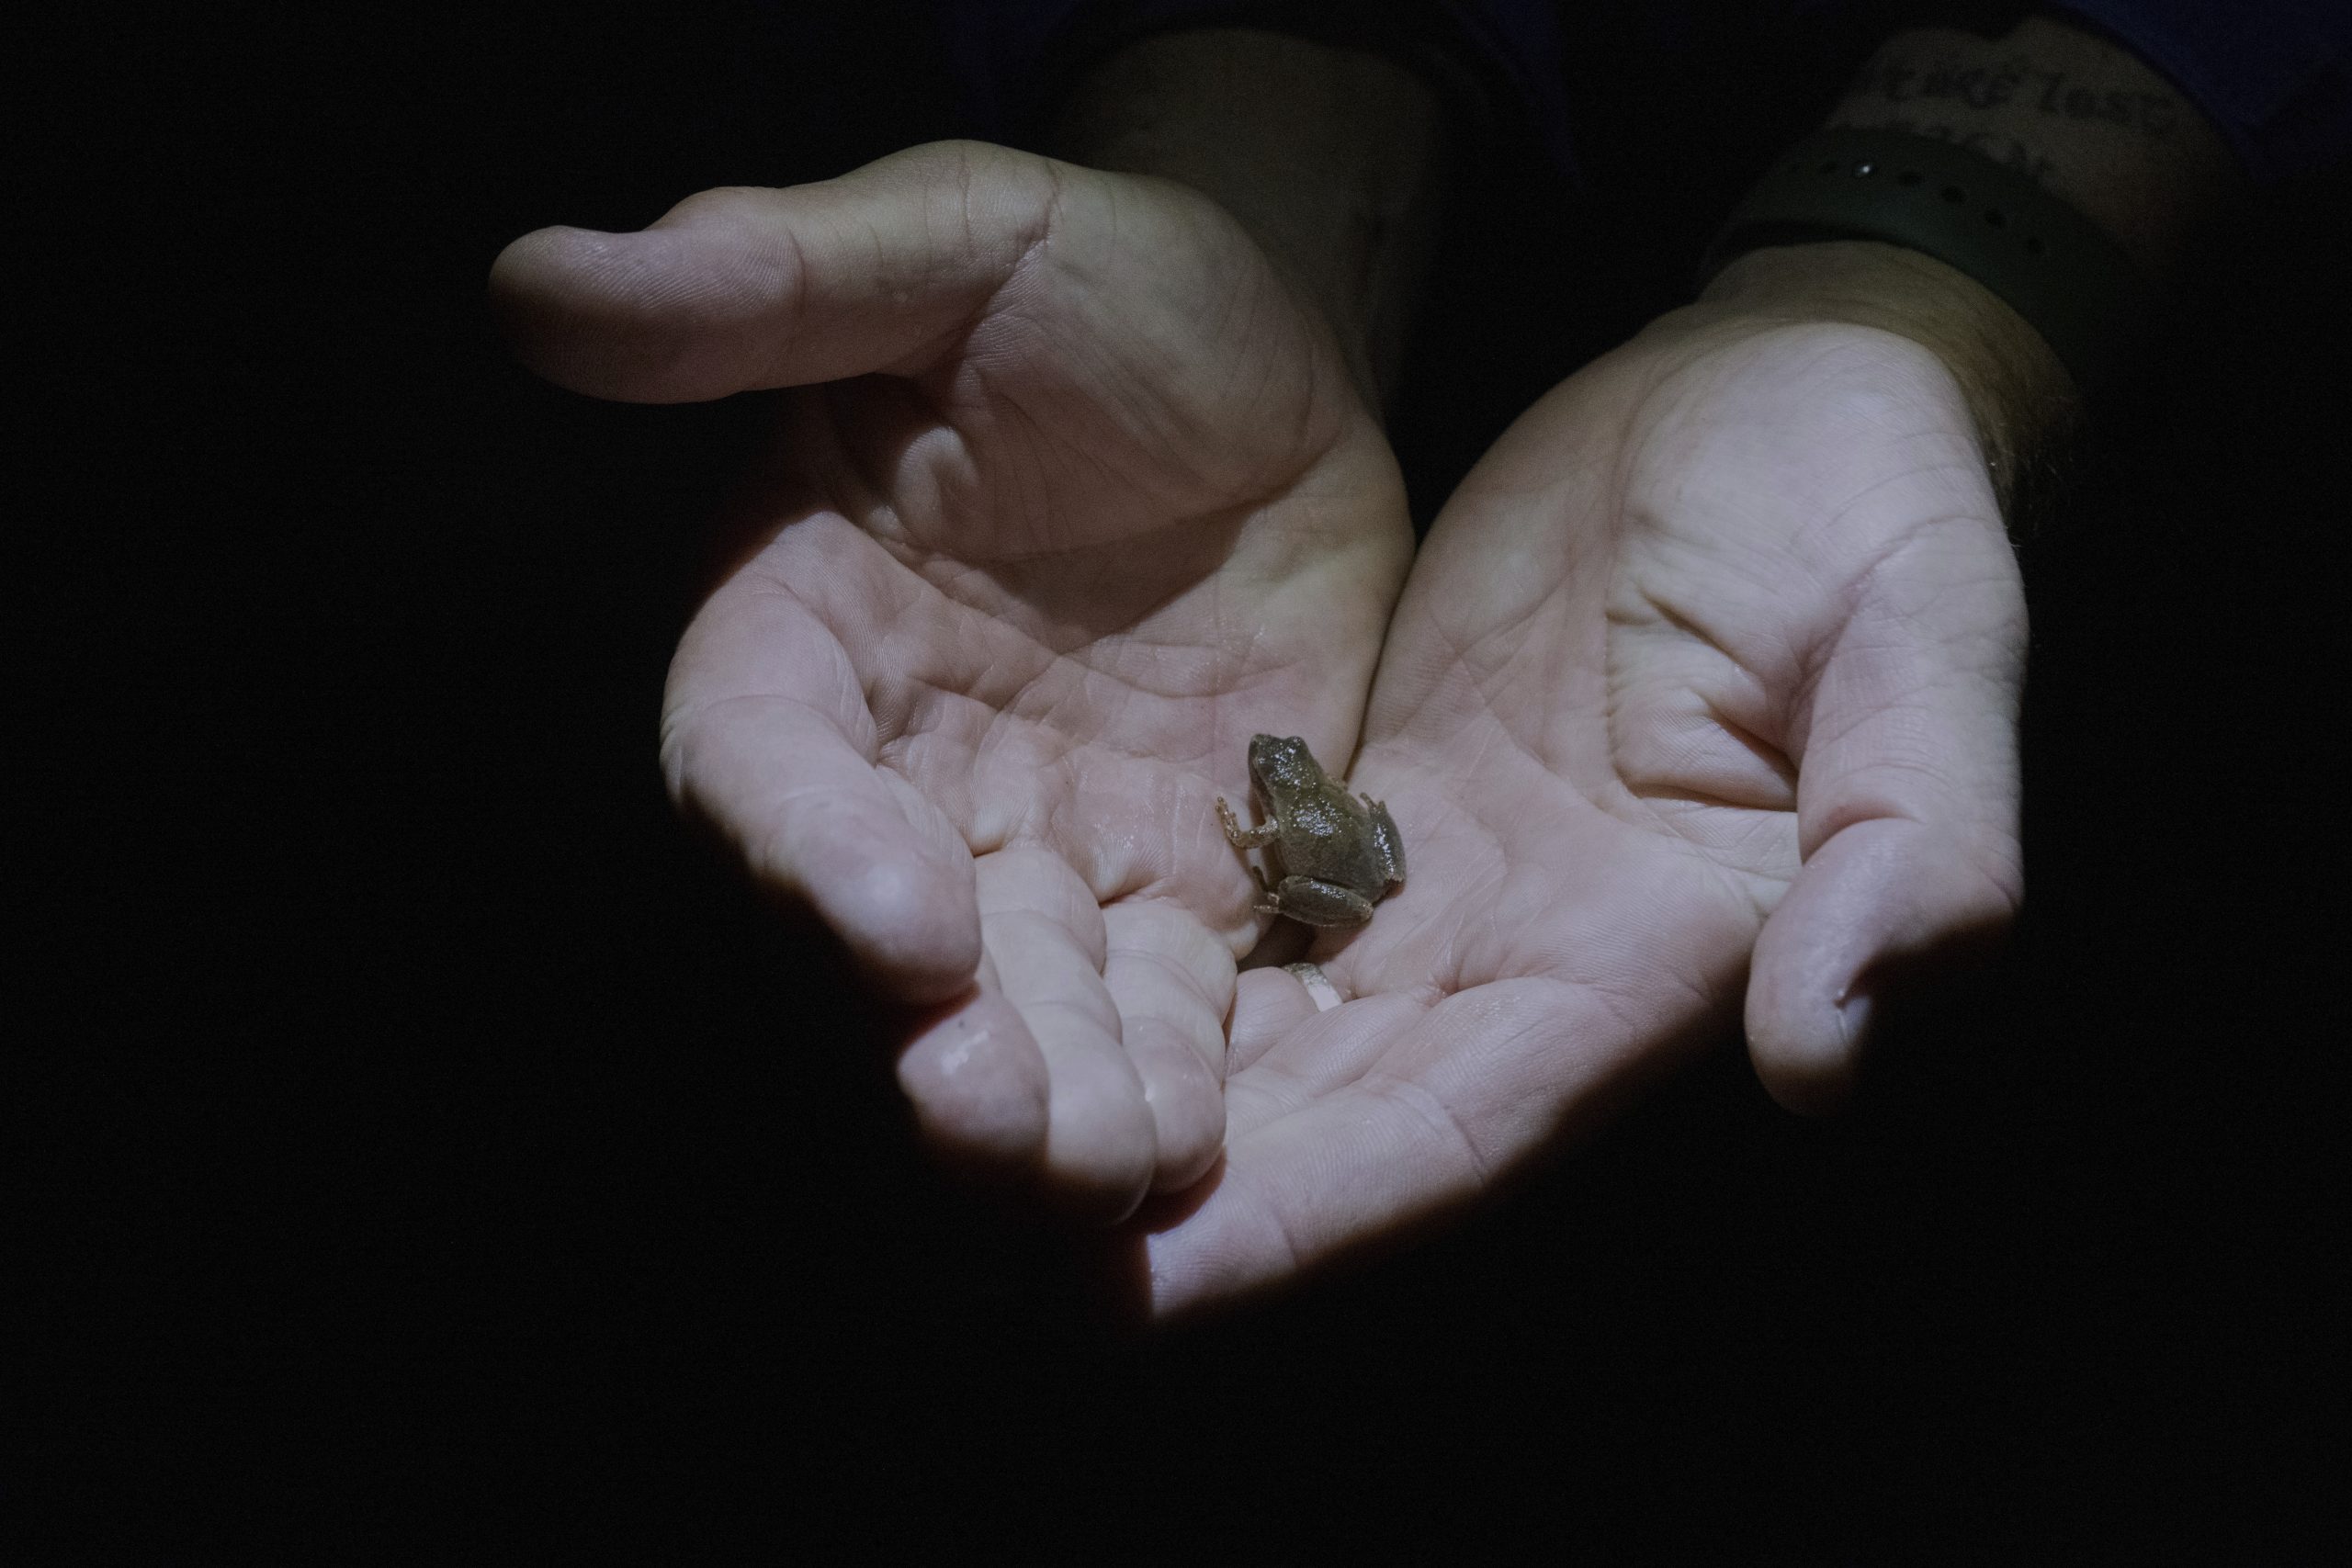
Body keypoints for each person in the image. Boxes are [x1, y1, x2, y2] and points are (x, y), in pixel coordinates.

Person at [489, 2, 2348, 1315]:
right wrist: (1261, 154)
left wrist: (1907, 289)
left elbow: (1309, 834)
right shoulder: (1287, 799)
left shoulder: (1294, 816)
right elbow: (1301, 822)